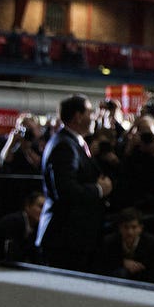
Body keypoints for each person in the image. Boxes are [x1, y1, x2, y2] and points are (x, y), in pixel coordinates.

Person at [36, 94, 113, 272]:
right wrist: (99, 189)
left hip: (72, 239)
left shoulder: (71, 143)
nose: (93, 117)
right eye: (89, 112)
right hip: (64, 239)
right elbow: (66, 190)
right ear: (78, 116)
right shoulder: (65, 146)